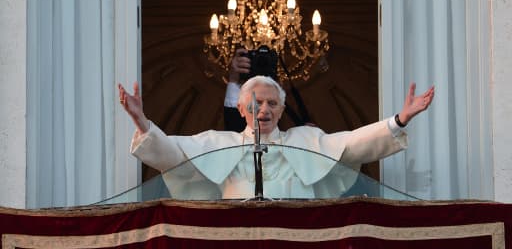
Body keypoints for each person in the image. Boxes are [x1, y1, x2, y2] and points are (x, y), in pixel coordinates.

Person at [118, 76, 434, 199]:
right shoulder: (219, 143)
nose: (263, 109)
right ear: (242, 109)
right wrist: (143, 122)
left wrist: (399, 119)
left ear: (282, 110)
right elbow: (175, 155)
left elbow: (351, 145)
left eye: (272, 103)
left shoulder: (305, 139)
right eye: (256, 103)